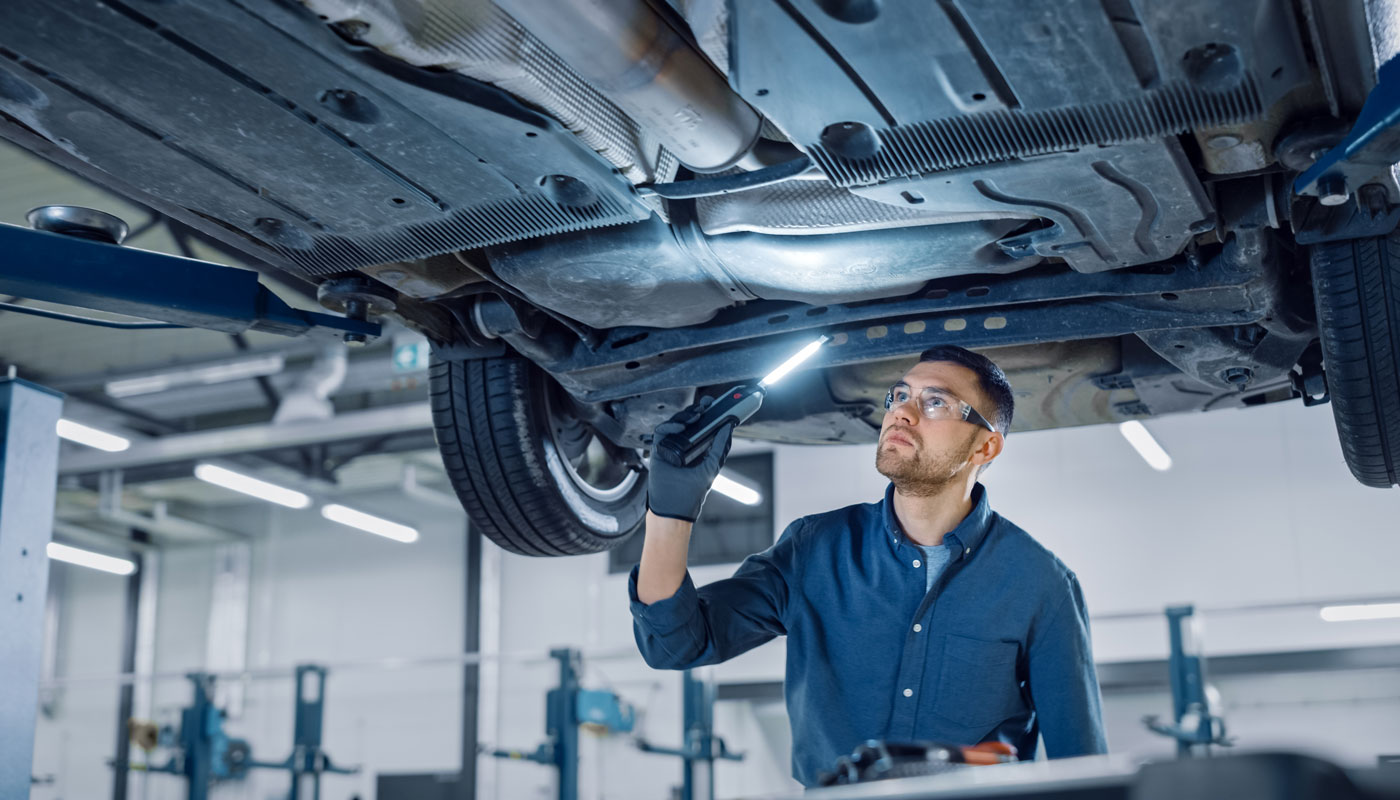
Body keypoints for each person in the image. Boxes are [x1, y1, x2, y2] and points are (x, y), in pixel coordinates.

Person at [628, 344, 1107, 787]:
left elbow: (1082, 765)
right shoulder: (813, 549)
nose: (902, 410)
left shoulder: (1041, 584)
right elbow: (677, 645)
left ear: (985, 447)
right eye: (900, 394)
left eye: (935, 401)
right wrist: (671, 511)